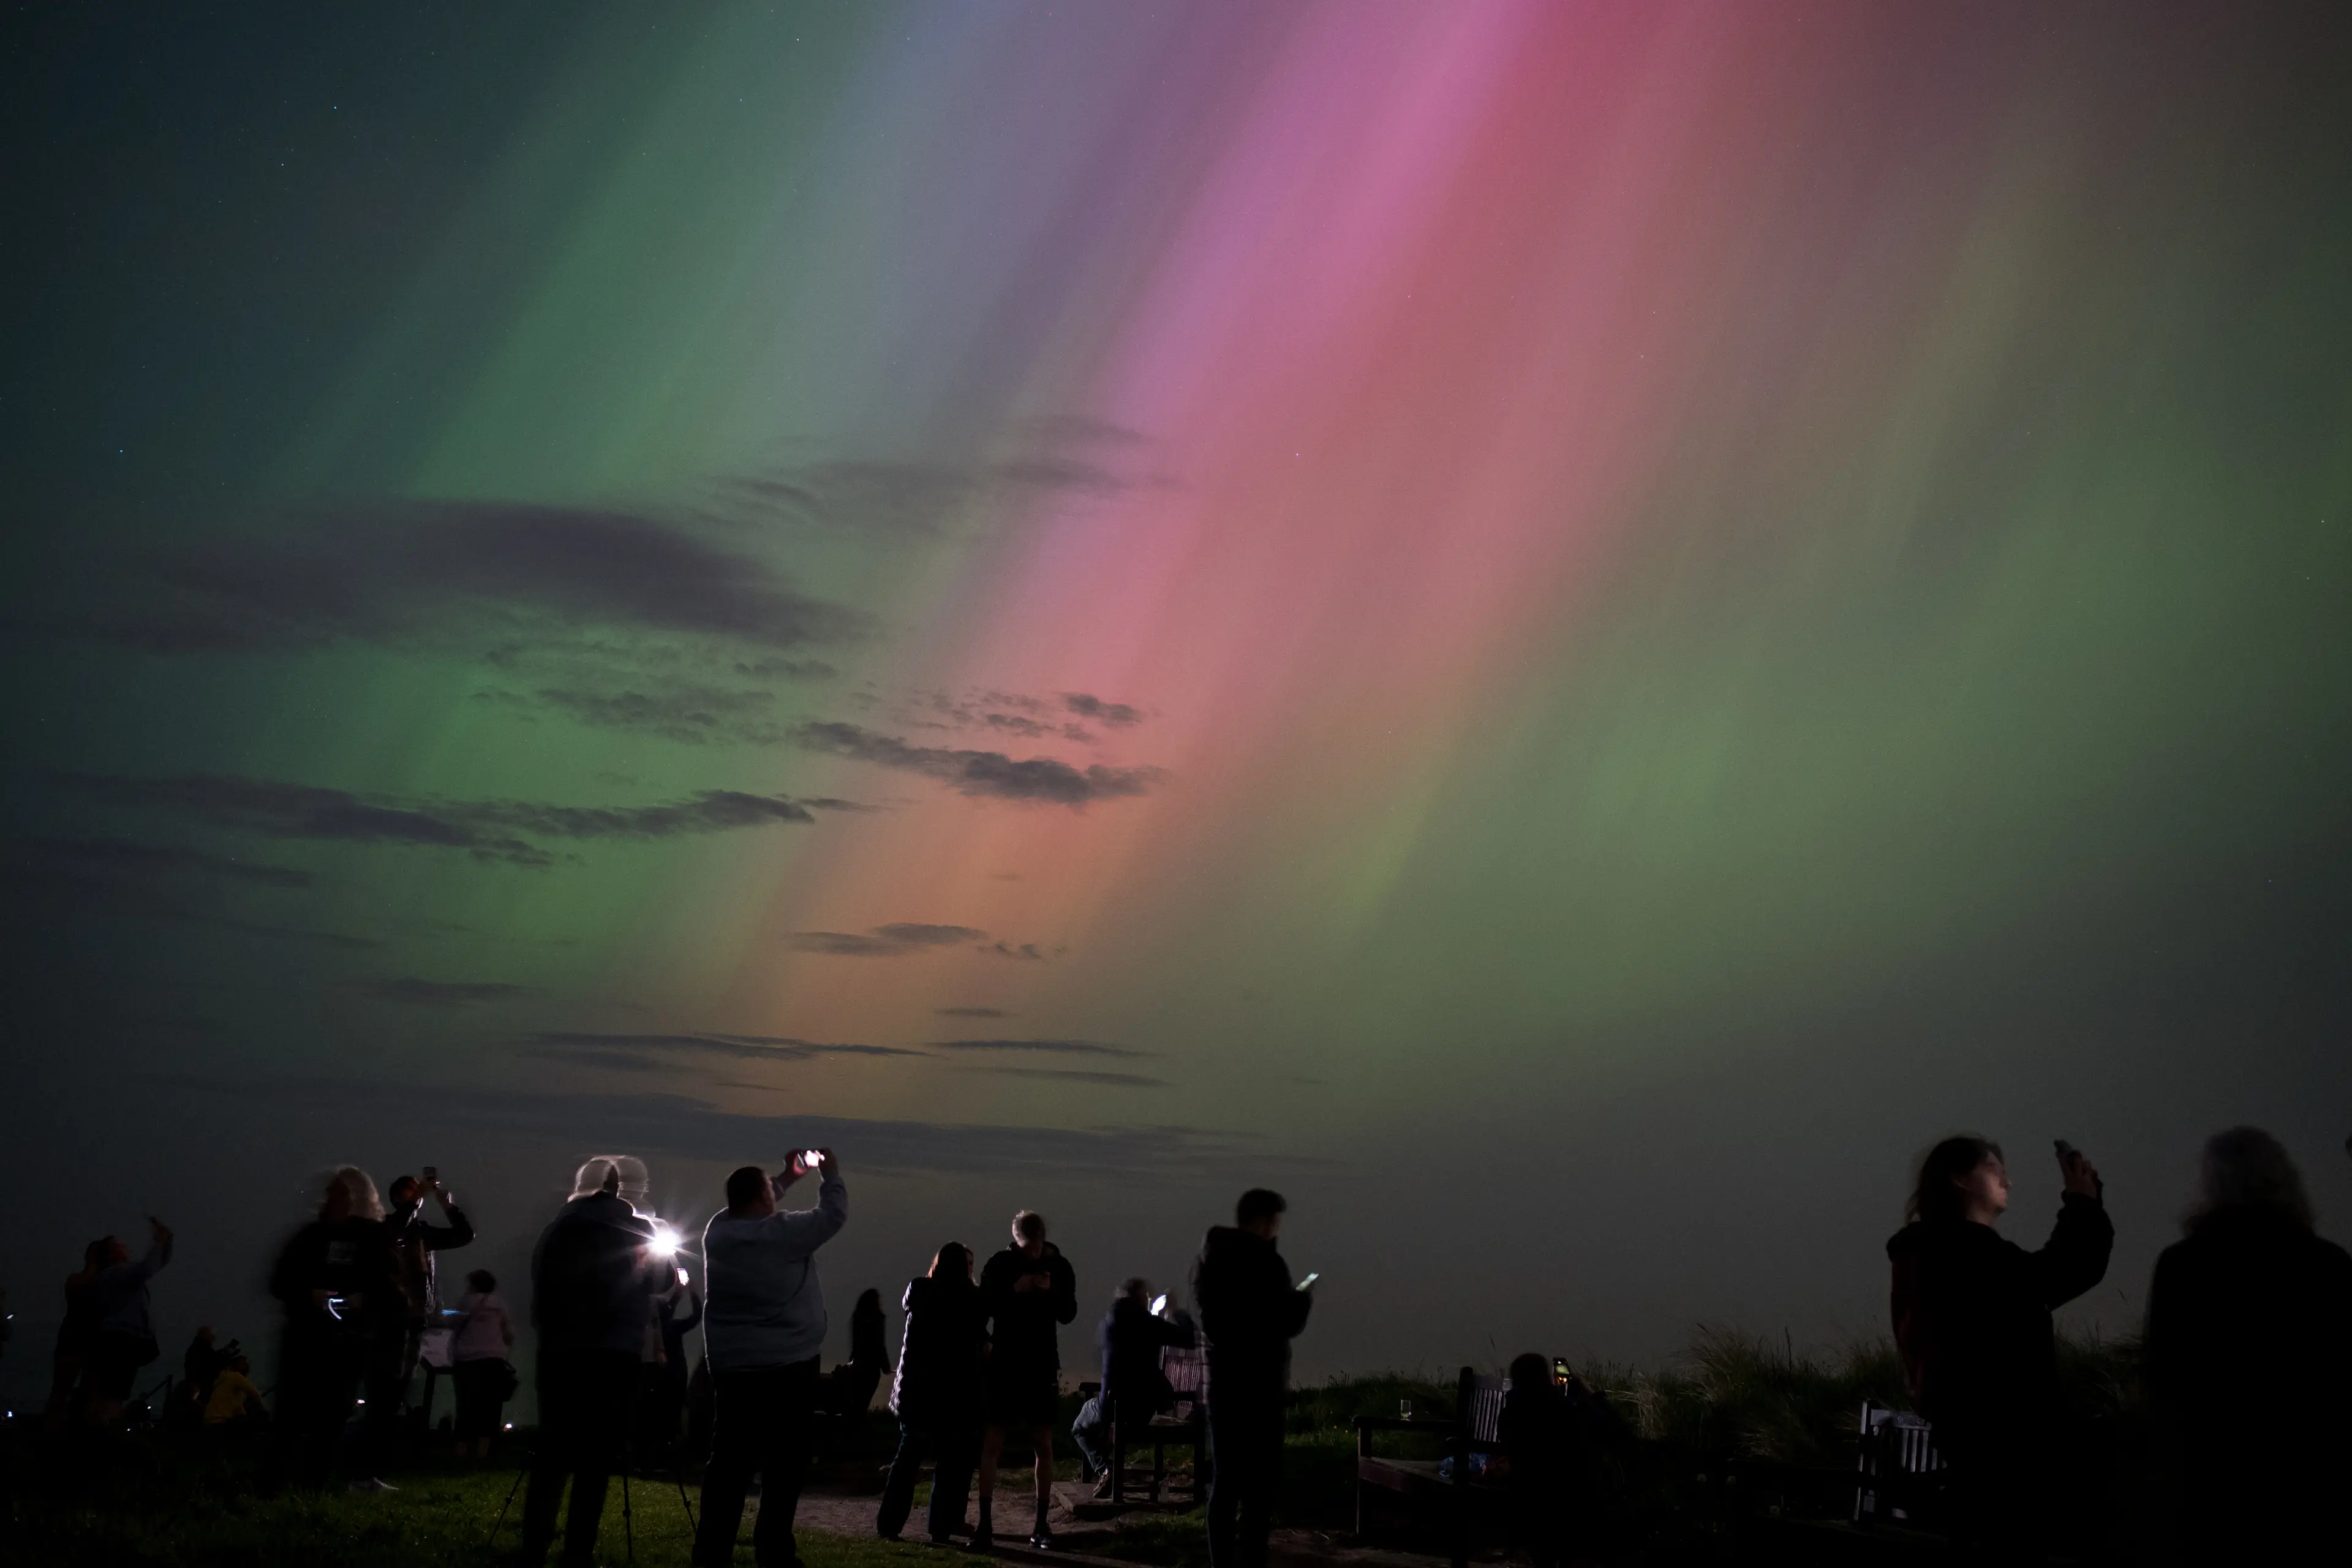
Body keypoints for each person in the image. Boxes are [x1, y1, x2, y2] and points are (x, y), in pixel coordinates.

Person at [1887, 1135, 2111, 1555]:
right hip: (2010, 1460)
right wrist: (2082, 1202)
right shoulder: (1963, 1254)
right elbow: (2058, 1272)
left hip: (1976, 1452)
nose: (2006, 1179)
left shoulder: (1929, 1254)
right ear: (1959, 1179)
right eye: (1993, 1168)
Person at [2145, 1128, 2352, 1561]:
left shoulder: (2182, 1265)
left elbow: (2162, 1377)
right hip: (2312, 1473)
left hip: (2214, 1474)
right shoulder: (2330, 1265)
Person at [693, 1150, 848, 1568]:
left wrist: (787, 1176)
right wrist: (829, 1174)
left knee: (728, 1463)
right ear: (764, 1198)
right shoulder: (783, 1232)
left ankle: (712, 1552)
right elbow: (832, 1215)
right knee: (785, 1464)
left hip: (731, 1366)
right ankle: (774, 1550)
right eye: (771, 1191)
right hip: (789, 1365)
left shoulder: (718, 1232)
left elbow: (752, 1204)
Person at [522, 1155, 667, 1567]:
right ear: (626, 1191)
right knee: (595, 1460)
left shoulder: (557, 1229)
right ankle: (577, 1551)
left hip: (558, 1351)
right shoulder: (636, 1229)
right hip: (613, 1355)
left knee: (552, 1454)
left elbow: (541, 1285)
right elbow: (662, 1280)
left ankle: (534, 1545)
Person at [1194, 1188, 1313, 1568]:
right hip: (1261, 1388)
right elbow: (1286, 1322)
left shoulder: (1211, 1258)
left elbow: (1214, 1321)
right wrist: (1301, 1299)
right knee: (1259, 1490)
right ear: (1265, 1221)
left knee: (1226, 1485)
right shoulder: (1267, 1263)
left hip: (1224, 1385)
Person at [268, 1167, 399, 1492]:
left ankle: (313, 1485)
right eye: (330, 1193)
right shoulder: (309, 1236)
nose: (330, 1200)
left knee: (331, 1416)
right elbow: (280, 1280)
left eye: (339, 1193)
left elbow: (390, 1288)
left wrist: (362, 1298)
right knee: (291, 1413)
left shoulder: (373, 1237)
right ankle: (274, 1484)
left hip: (347, 1341)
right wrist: (307, 1294)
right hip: (304, 1336)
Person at [977, 1209, 1077, 1550]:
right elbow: (983, 1307)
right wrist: (1014, 1290)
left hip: (1040, 1365)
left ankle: (1040, 1524)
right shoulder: (1000, 1264)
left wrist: (1049, 1292)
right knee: (992, 1443)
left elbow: (1068, 1313)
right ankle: (986, 1524)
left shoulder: (1060, 1267)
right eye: (1027, 1248)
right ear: (1017, 1241)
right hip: (1006, 1365)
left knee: (1043, 1445)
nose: (1033, 1254)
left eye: (1036, 1248)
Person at [876, 1242, 989, 1544]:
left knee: (907, 1461)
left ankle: (889, 1525)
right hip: (953, 1395)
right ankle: (939, 1528)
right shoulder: (971, 1300)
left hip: (916, 1392)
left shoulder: (919, 1292)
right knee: (950, 1464)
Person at [1090, 1278, 1195, 1495]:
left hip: (1109, 1405)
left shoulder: (1110, 1320)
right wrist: (1175, 1312)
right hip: (1137, 1411)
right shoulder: (1147, 1324)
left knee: (1079, 1427)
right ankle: (1110, 1470)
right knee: (1086, 1426)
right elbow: (1189, 1338)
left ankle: (1107, 1469)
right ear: (1141, 1299)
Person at [83, 1216, 174, 1425]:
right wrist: (160, 1242)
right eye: (120, 1245)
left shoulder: (116, 1276)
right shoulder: (114, 1275)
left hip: (120, 1339)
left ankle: (97, 1432)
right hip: (120, 1340)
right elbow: (146, 1269)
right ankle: (104, 1434)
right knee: (114, 1395)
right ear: (111, 1255)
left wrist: (166, 1242)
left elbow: (155, 1264)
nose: (126, 1247)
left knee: (110, 1392)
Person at [450, 1267, 516, 1460]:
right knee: (490, 1407)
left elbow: (453, 1324)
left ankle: (461, 1451)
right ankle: (484, 1452)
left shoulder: (465, 1302)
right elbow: (509, 1334)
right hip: (493, 1360)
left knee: (465, 1405)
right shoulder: (499, 1304)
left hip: (466, 1360)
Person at [42, 1241, 106, 1431]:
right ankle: (58, 1429)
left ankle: (64, 1428)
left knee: (79, 1391)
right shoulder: (81, 1280)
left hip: (81, 1338)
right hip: (78, 1338)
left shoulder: (85, 1280)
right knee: (64, 1390)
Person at [641, 1271, 703, 1466]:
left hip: (663, 1376)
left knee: (656, 1414)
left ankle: (650, 1455)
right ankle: (662, 1455)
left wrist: (679, 1289)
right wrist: (691, 1292)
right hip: (675, 1376)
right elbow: (696, 1315)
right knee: (670, 1416)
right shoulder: (673, 1328)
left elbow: (668, 1306)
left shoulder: (656, 1329)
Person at [204, 1352, 270, 1431]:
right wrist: (262, 1409)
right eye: (244, 1363)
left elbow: (238, 1408)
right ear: (236, 1365)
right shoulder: (236, 1377)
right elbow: (253, 1393)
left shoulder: (224, 1381)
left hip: (210, 1422)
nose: (247, 1366)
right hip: (221, 1422)